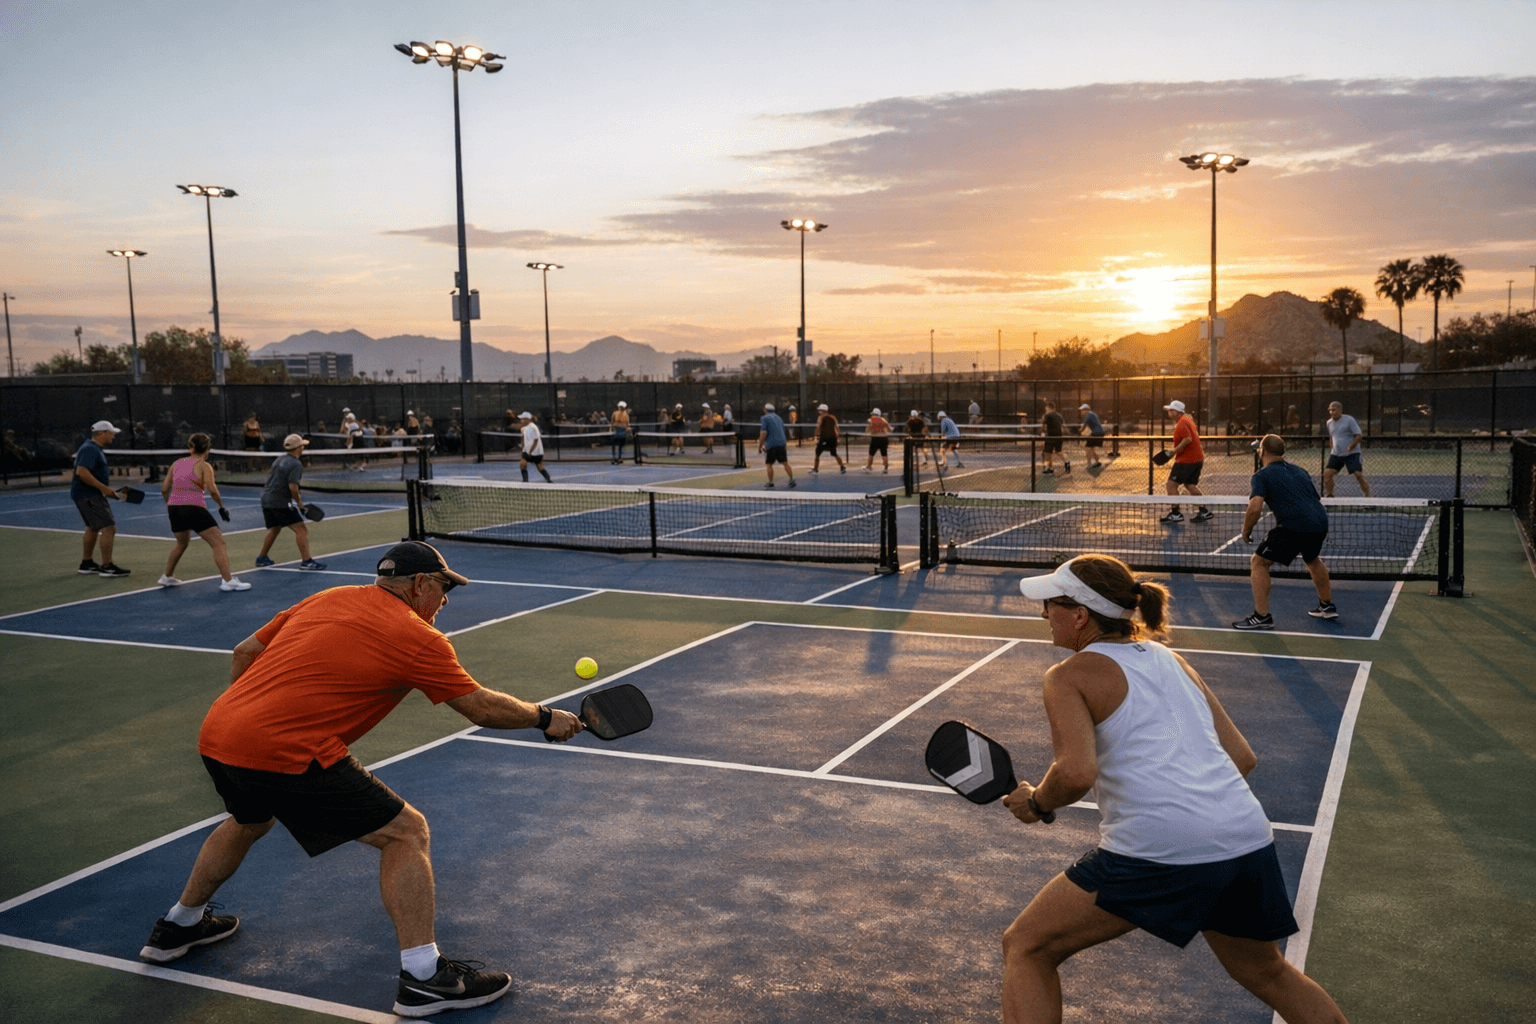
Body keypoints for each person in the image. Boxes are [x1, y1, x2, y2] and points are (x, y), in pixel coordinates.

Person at [137, 541, 583, 1018]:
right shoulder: (419, 637)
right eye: (444, 587)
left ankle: (179, 925)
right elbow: (481, 707)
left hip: (220, 733)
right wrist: (545, 717)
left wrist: (253, 717)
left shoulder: (328, 597)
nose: (446, 600)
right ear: (419, 584)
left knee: (251, 820)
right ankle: (425, 979)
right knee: (406, 833)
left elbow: (245, 651)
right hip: (289, 749)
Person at [1002, 554, 1350, 1024]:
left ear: (1080, 616)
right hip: (1245, 836)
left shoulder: (1067, 676)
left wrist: (1036, 802)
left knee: (1027, 946)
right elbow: (1241, 757)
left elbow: (1076, 773)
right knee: (1267, 972)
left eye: (1051, 605)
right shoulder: (1172, 659)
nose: (1044, 613)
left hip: (1158, 849)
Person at [1234, 434, 1337, 629]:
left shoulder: (1261, 475)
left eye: (1259, 449)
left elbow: (1255, 508)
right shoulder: (1300, 471)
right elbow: (1312, 499)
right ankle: (1327, 606)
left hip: (1294, 525)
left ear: (1262, 452)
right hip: (1320, 521)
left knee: (1259, 562)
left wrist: (1246, 530)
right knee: (1312, 558)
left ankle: (1261, 617)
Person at [159, 433, 250, 591]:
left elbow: (164, 489)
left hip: (174, 508)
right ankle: (228, 581)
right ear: (207, 449)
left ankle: (167, 577)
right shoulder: (204, 466)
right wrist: (221, 506)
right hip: (193, 507)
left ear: (191, 448)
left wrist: (170, 504)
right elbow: (213, 490)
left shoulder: (176, 464)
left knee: (181, 543)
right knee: (218, 543)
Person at [255, 434, 327, 570]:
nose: (303, 447)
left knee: (275, 528)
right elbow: (293, 488)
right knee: (301, 529)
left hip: (266, 499)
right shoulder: (296, 464)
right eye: (302, 445)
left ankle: (262, 558)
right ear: (298, 447)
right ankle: (307, 561)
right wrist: (299, 504)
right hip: (279, 501)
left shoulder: (279, 459)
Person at [72, 420, 131, 578]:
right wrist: (104, 489)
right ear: (101, 433)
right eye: (111, 433)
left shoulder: (92, 448)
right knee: (109, 527)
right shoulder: (90, 449)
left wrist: (106, 491)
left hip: (86, 494)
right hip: (89, 495)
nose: (113, 436)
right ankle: (107, 567)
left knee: (93, 527)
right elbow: (82, 472)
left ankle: (87, 564)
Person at [1160, 400, 1211, 523]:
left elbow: (1187, 439)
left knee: (1171, 485)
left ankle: (1175, 513)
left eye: (1171, 410)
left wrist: (1173, 451)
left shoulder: (1182, 422)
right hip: (1196, 459)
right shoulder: (1187, 419)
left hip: (1187, 461)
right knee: (1190, 485)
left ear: (1176, 412)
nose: (1169, 413)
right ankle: (1204, 511)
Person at [1322, 402, 1370, 497]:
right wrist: (1332, 448)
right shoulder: (1329, 423)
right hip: (1336, 454)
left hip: (1352, 454)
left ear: (1340, 410)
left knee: (1358, 475)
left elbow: (1359, 435)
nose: (1331, 412)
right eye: (1330, 410)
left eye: (1334, 410)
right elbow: (1332, 436)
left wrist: (1351, 446)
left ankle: (1368, 497)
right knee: (1327, 474)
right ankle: (1330, 495)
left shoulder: (1349, 420)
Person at [757, 403, 796, 488]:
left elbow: (763, 433)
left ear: (765, 410)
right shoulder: (779, 418)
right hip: (782, 443)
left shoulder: (764, 418)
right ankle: (791, 479)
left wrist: (760, 446)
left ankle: (770, 482)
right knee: (785, 463)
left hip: (771, 444)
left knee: (769, 464)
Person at [517, 411, 553, 482]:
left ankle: (549, 480)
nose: (521, 420)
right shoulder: (524, 428)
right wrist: (523, 448)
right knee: (522, 464)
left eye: (522, 419)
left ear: (527, 419)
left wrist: (530, 452)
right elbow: (524, 438)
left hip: (536, 452)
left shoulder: (533, 427)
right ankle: (525, 481)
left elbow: (535, 440)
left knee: (540, 467)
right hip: (527, 451)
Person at [812, 403, 846, 474]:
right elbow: (837, 428)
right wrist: (837, 437)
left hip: (824, 439)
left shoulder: (820, 418)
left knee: (817, 454)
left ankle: (815, 469)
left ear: (823, 410)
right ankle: (842, 467)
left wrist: (816, 436)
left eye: (820, 410)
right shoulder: (833, 417)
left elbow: (818, 428)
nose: (819, 411)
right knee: (834, 453)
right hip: (832, 439)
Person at [1041, 401, 1068, 474]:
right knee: (1058, 451)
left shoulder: (1047, 415)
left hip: (1050, 436)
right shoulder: (1060, 416)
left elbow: (1044, 426)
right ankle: (1066, 461)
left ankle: (1047, 468)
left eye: (1046, 408)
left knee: (1047, 452)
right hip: (1059, 436)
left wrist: (1043, 433)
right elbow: (1064, 427)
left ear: (1048, 408)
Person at [864, 408, 891, 473]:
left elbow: (867, 430)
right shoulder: (883, 420)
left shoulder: (871, 420)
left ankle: (869, 466)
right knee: (884, 454)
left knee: (871, 454)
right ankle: (885, 468)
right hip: (884, 438)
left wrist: (871, 430)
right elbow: (889, 429)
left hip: (875, 439)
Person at [1079, 403, 1105, 468]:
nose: (1081, 412)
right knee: (1090, 448)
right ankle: (1097, 461)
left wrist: (1078, 433)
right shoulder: (1093, 414)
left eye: (1082, 410)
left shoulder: (1088, 416)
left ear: (1086, 410)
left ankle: (1089, 464)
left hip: (1096, 433)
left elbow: (1083, 427)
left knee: (1089, 448)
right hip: (1098, 432)